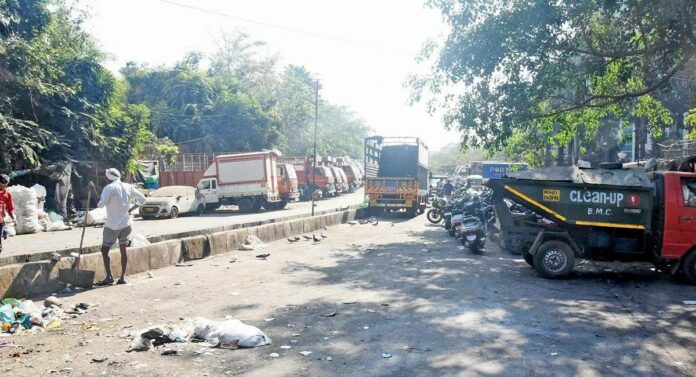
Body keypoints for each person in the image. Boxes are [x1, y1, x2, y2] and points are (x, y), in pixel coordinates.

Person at [92, 168, 146, 285]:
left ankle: (109, 277)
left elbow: (100, 205)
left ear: (108, 178)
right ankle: (122, 277)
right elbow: (143, 199)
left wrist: (93, 191)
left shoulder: (108, 188)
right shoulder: (127, 186)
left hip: (112, 225)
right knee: (123, 250)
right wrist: (131, 209)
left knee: (105, 250)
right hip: (126, 224)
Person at [0, 174, 15, 254]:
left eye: (5, 185)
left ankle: (4, 233)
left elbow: (10, 208)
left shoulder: (7, 194)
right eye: (2, 185)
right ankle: (4, 232)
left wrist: (13, 217)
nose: (4, 187)